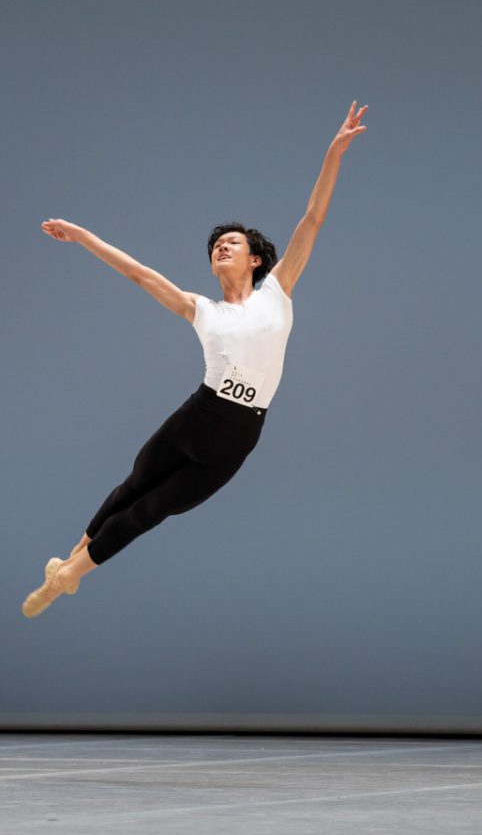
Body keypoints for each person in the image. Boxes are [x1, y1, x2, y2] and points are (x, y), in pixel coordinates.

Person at [20, 103, 369, 617]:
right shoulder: (200, 308)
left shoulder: (279, 291)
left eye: (232, 243)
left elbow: (313, 217)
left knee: (153, 508)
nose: (221, 248)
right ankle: (68, 565)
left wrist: (334, 152)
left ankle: (69, 575)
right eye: (215, 246)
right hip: (198, 416)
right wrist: (83, 236)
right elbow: (139, 273)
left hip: (238, 432)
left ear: (255, 259)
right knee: (132, 488)